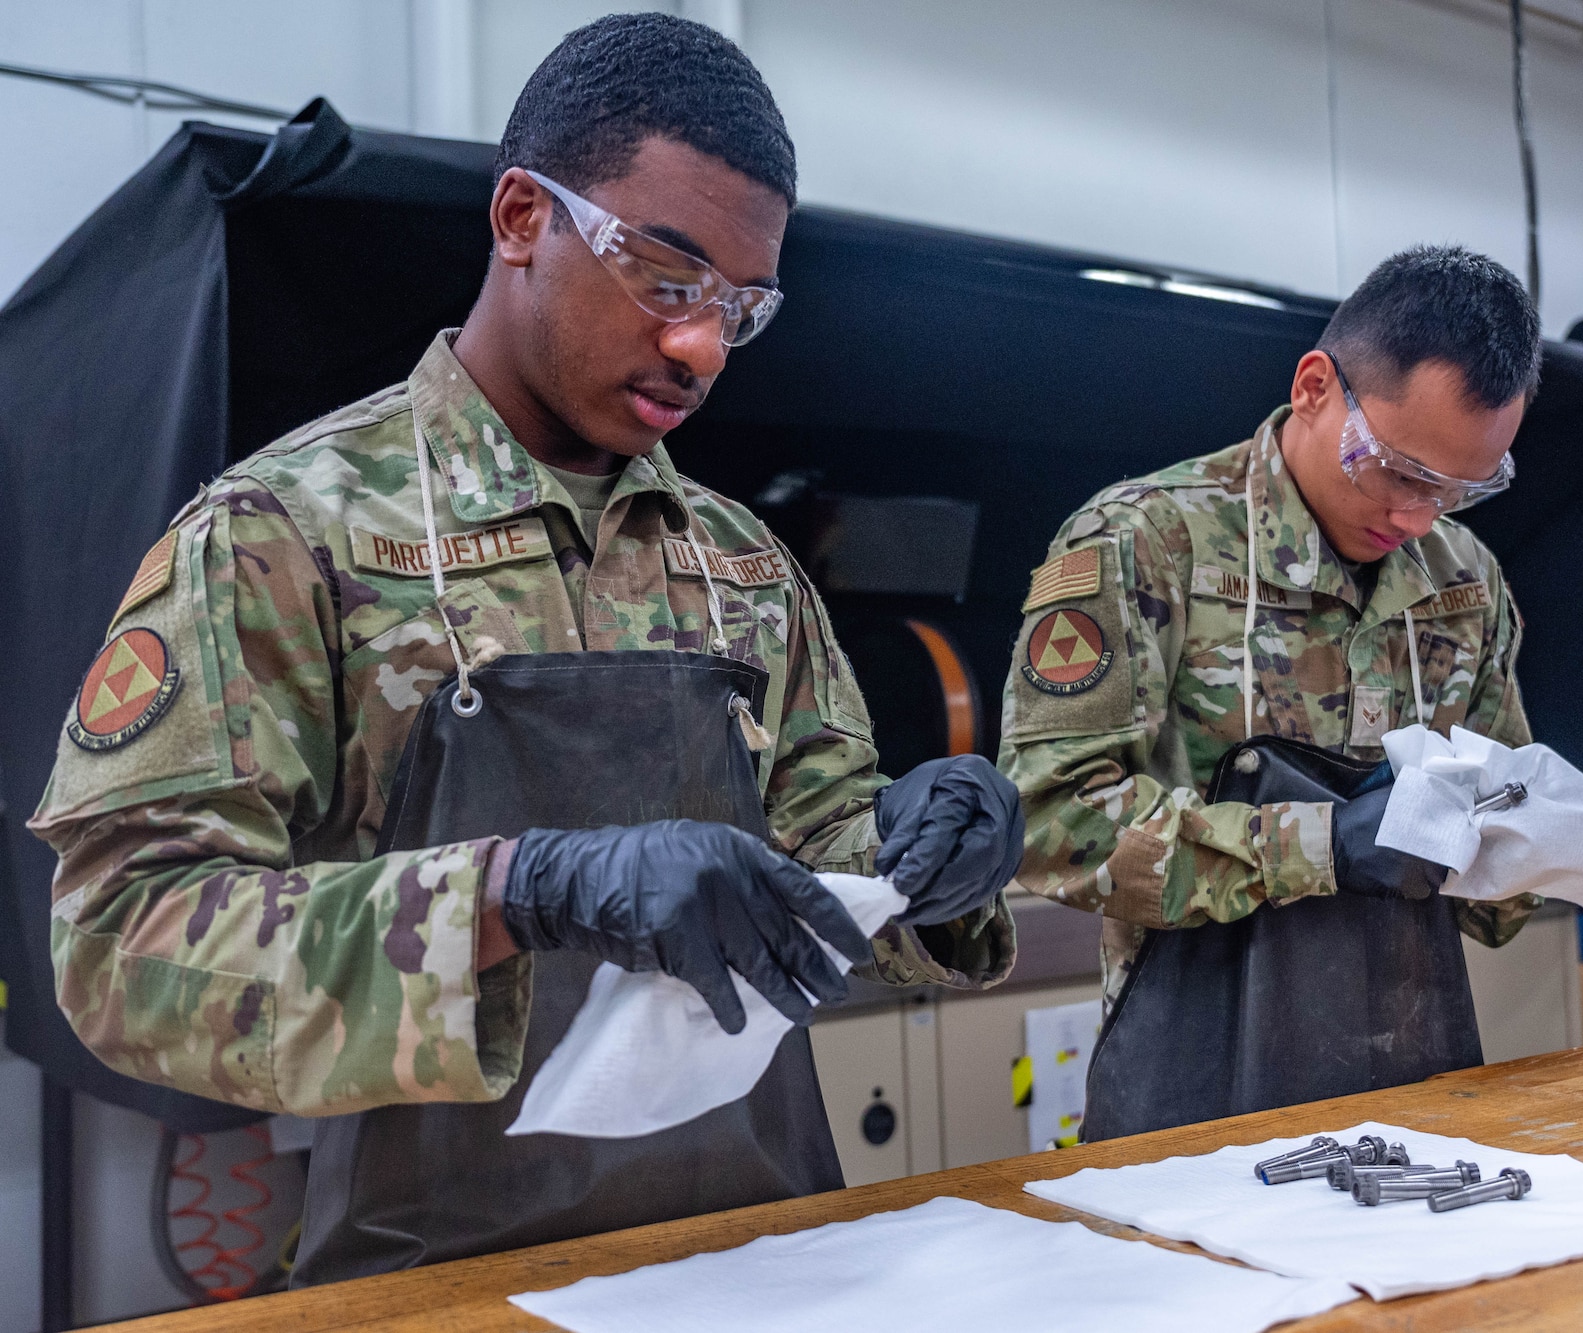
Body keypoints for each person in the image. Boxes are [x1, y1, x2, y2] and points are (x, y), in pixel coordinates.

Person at [30, 14, 1020, 1285]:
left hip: (759, 1257)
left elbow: (817, 871)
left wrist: (924, 856)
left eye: (740, 307)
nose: (701, 346)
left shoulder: (739, 566)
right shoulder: (288, 535)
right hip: (446, 1278)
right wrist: (516, 894)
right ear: (518, 219)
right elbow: (120, 945)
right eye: (667, 279)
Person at [999, 245, 1540, 1139]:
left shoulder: (1462, 580)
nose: (1417, 517)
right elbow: (1051, 823)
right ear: (1316, 386)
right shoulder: (1149, 543)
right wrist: (1324, 845)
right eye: (1401, 471)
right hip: (1197, 1086)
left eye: (1459, 490)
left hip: (1413, 1086)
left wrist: (1532, 844)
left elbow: (1500, 897)